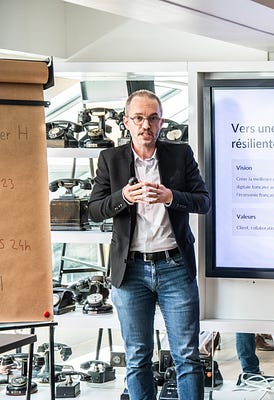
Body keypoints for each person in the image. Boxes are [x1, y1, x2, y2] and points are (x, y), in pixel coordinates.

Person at [88, 89, 210, 400]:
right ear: (126, 122)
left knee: (187, 356)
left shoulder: (180, 155)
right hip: (130, 271)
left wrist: (171, 196)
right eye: (139, 118)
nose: (146, 125)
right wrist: (123, 197)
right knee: (137, 357)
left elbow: (204, 202)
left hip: (175, 267)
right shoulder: (110, 159)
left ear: (161, 122)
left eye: (153, 118)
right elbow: (95, 210)